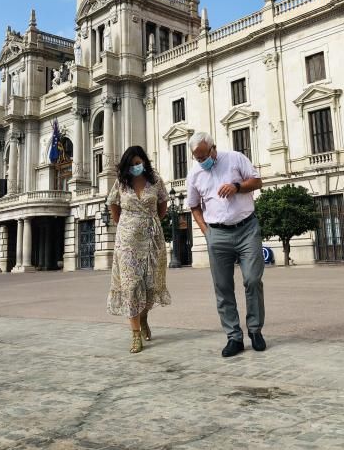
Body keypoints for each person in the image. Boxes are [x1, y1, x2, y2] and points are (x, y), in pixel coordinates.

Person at [187, 131, 265, 358]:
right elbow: (194, 206)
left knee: (252, 279)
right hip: (218, 235)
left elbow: (258, 181)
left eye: (204, 156)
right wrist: (206, 232)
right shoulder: (194, 174)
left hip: (246, 229)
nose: (202, 161)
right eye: (197, 158)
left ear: (213, 148)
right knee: (223, 288)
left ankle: (255, 331)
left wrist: (237, 186)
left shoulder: (235, 158)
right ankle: (234, 337)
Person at [106, 146, 171, 353]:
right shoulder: (122, 183)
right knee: (131, 285)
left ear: (144, 161)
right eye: (132, 164)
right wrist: (129, 225)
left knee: (150, 285)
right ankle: (135, 335)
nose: (136, 166)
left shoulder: (155, 180)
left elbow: (163, 205)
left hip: (152, 240)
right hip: (127, 242)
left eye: (138, 162)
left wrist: (149, 222)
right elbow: (113, 206)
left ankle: (143, 317)